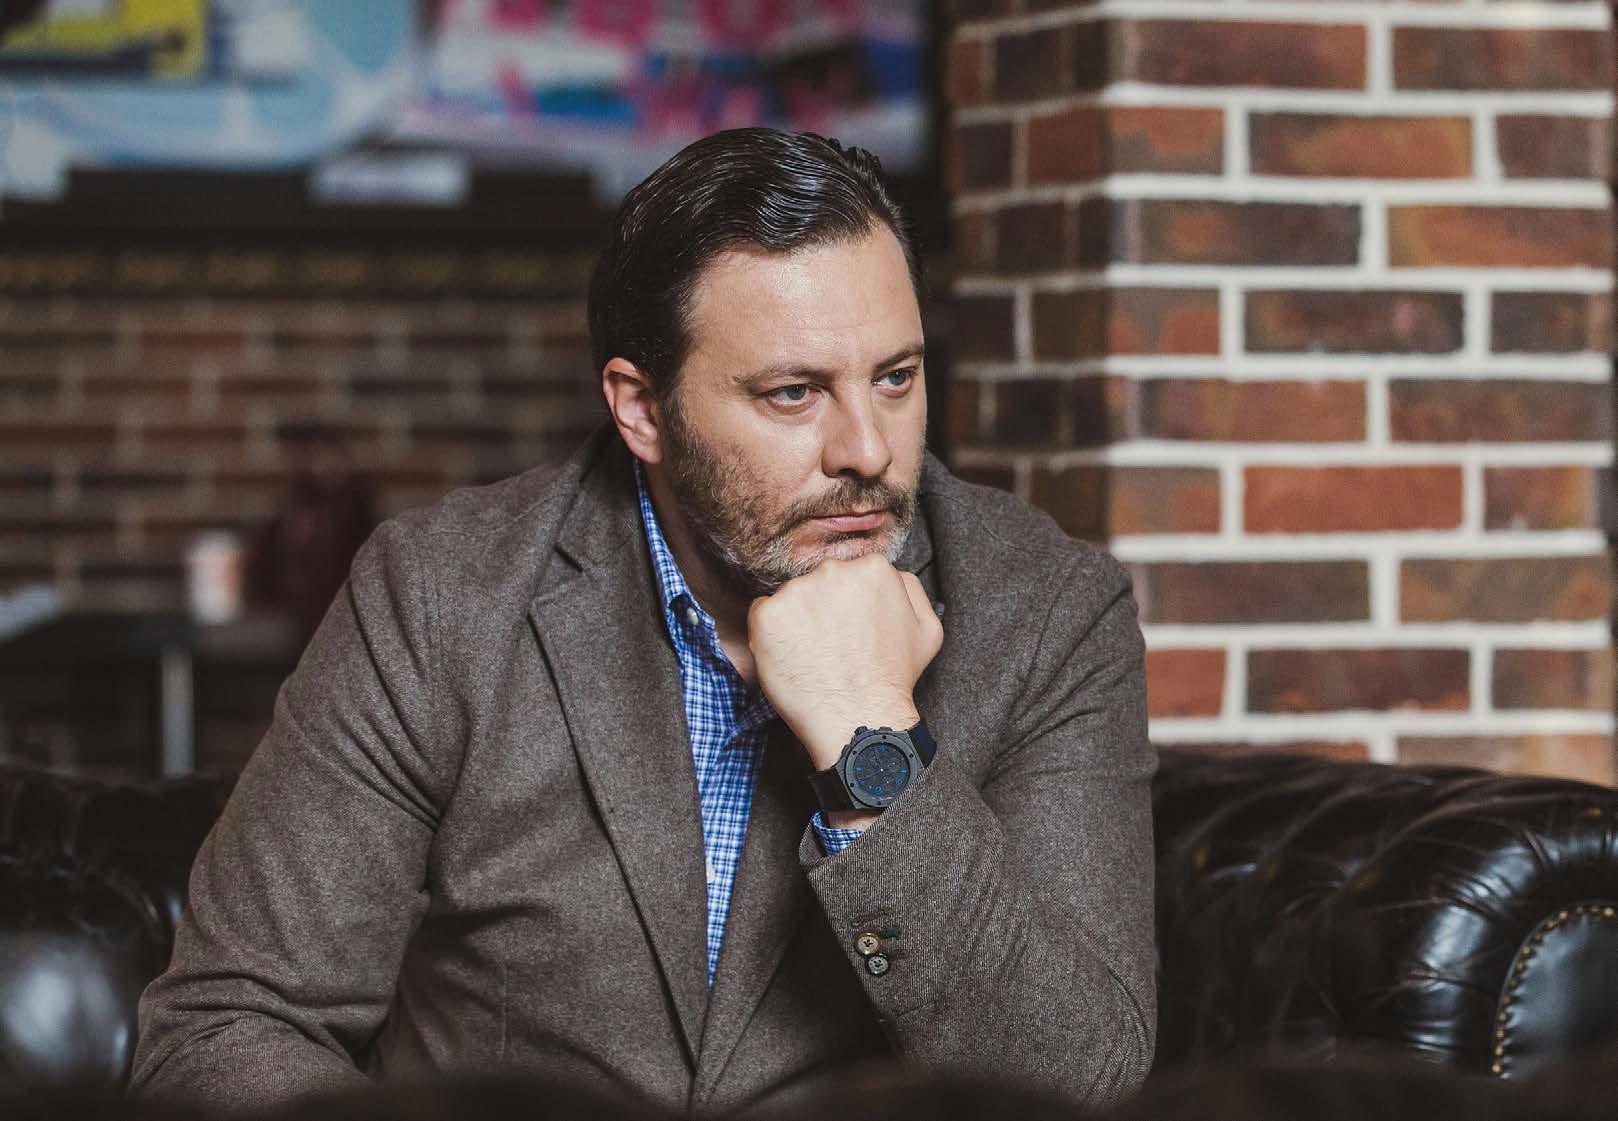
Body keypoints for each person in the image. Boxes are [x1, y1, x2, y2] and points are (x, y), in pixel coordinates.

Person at [129, 128, 1156, 1114]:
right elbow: (225, 1025)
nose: (869, 450)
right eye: (793, 393)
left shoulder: (1047, 614)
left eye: (896, 377)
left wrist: (870, 738)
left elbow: (1079, 1083)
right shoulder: (441, 595)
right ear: (641, 409)